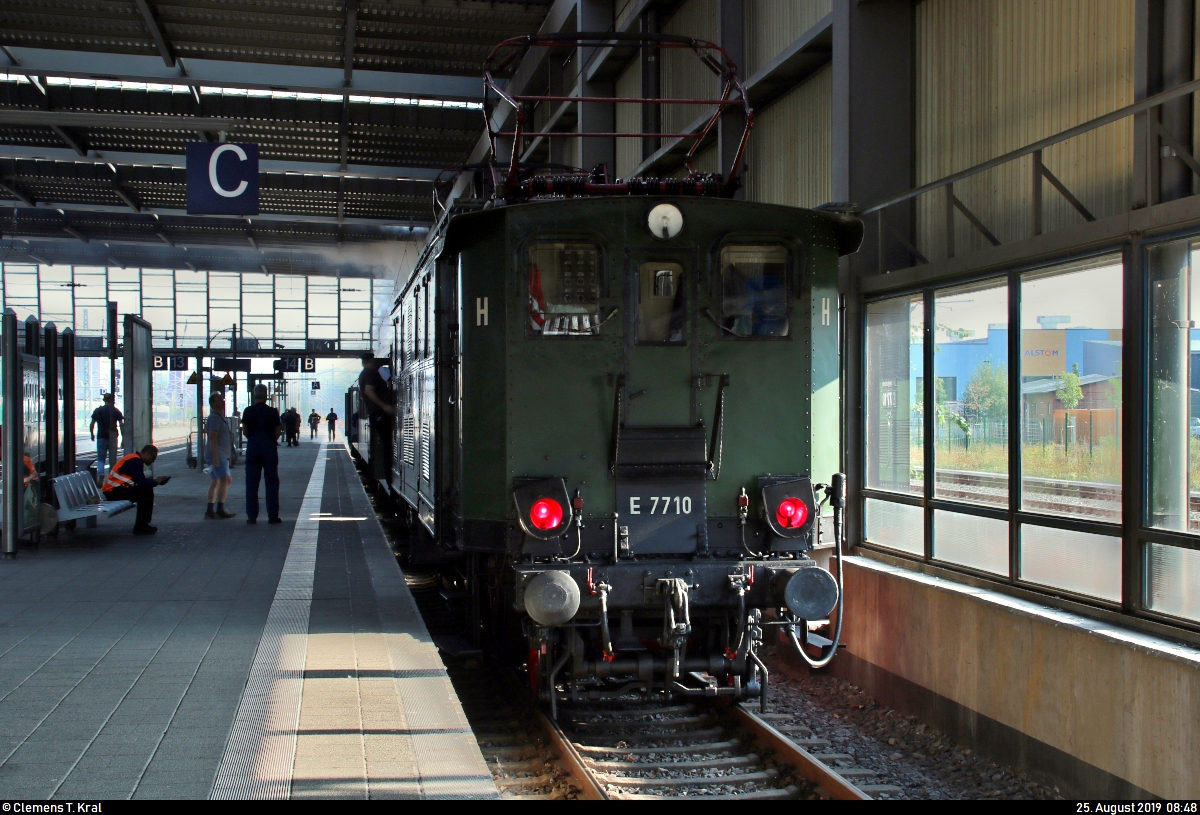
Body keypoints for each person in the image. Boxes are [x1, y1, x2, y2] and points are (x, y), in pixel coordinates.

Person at [102, 444, 169, 534]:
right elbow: (142, 482)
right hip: (113, 492)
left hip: (115, 490)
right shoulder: (135, 461)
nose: (153, 461)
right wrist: (156, 481)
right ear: (147, 454)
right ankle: (141, 526)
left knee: (146, 491)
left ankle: (143, 525)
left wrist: (156, 482)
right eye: (153, 457)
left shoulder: (134, 459)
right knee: (145, 493)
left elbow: (141, 481)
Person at [242, 383, 282, 525]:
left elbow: (245, 430)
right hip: (269, 448)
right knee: (271, 481)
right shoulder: (273, 412)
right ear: (267, 396)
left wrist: (253, 438)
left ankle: (251, 516)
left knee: (251, 483)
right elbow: (278, 431)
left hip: (253, 448)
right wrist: (271, 440)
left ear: (254, 395)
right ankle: (273, 516)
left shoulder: (248, 411)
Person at [359, 352, 396, 481]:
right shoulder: (371, 373)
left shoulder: (364, 373)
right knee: (387, 445)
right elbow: (368, 391)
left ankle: (388, 477)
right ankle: (389, 477)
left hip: (376, 414)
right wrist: (384, 406)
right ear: (372, 360)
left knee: (386, 445)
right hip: (379, 414)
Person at [205, 391, 236, 520]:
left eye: (223, 400)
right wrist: (216, 458)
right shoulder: (215, 418)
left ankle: (210, 510)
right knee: (226, 480)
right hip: (218, 454)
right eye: (219, 400)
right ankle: (220, 509)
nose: (223, 402)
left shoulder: (218, 417)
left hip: (220, 454)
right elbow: (212, 438)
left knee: (216, 481)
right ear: (213, 404)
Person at [89, 393, 124, 482]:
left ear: (104, 400)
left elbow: (92, 424)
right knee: (113, 459)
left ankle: (101, 473)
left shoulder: (98, 410)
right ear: (113, 400)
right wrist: (123, 437)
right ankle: (112, 477)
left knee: (101, 458)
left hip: (101, 436)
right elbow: (121, 425)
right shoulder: (116, 411)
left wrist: (92, 434)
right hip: (112, 437)